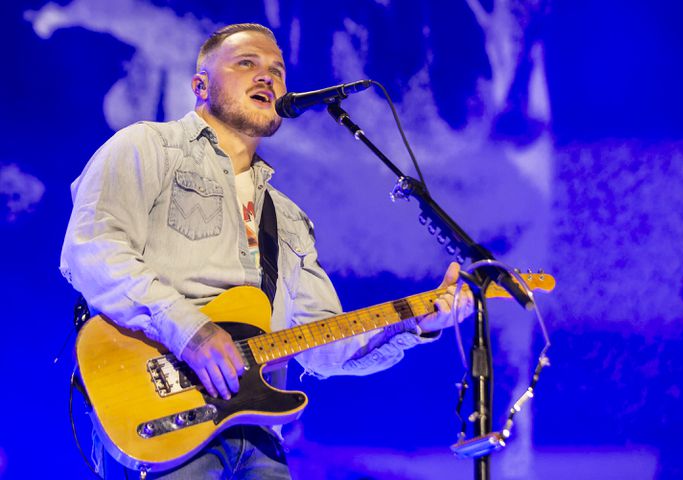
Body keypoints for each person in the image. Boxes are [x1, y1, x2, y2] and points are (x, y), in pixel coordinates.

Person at [60, 23, 474, 479]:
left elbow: (323, 346)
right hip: (161, 422)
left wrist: (416, 322)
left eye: (277, 71)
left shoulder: (289, 219)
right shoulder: (147, 147)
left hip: (259, 437)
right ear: (200, 86)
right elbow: (92, 251)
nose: (267, 78)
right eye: (246, 64)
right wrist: (191, 332)